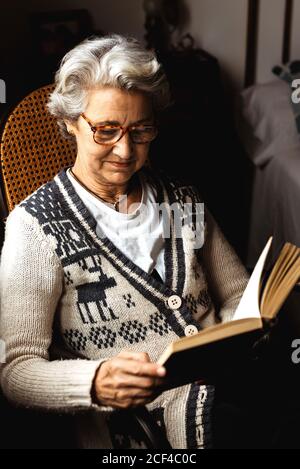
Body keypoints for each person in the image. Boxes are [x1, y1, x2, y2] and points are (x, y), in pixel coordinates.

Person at [0, 34, 249, 449]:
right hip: (135, 437)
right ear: (70, 122)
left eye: (141, 130)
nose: (125, 149)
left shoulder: (182, 199)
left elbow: (236, 292)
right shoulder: (36, 226)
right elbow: (16, 371)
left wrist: (242, 334)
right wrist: (95, 383)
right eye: (106, 130)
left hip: (226, 405)